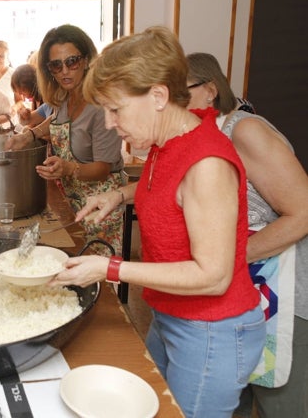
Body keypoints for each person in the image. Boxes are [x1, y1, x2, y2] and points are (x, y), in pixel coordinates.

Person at [50, 26, 266, 418]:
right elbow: (168, 187)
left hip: (210, 330)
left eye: (116, 110)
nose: (111, 123)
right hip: (171, 314)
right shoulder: (170, 137)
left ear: (159, 96)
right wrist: (118, 194)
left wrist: (111, 268)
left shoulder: (207, 164)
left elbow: (214, 275)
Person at [186, 52, 308, 418]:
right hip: (243, 286)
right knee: (233, 391)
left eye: (181, 94)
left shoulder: (246, 130)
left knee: (280, 401)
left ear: (210, 91)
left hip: (284, 289)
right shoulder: (206, 134)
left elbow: (302, 214)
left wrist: (228, 258)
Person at [5, 24, 124, 254]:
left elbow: (102, 168)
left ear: (87, 59)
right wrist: (29, 135)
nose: (64, 71)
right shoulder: (64, 97)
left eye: (72, 62)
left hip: (100, 209)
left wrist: (68, 168)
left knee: (97, 277)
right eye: (56, 65)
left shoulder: (101, 105)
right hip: (71, 203)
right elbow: (60, 126)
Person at [11, 63, 51, 127]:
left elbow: (50, 128)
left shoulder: (47, 98)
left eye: (23, 90)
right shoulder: (35, 99)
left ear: (30, 85)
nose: (21, 94)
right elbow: (32, 125)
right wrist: (26, 116)